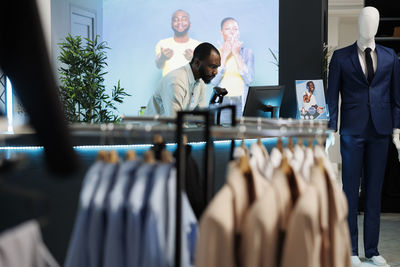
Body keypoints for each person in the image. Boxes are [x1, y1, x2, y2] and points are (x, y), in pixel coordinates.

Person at [327, 7, 400, 267]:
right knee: (349, 191)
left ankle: (372, 249)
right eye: (364, 20)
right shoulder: (340, 57)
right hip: (352, 131)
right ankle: (350, 250)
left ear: (378, 25)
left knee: (373, 191)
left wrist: (397, 129)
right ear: (358, 23)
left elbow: (396, 98)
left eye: (373, 21)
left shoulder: (391, 57)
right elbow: (332, 95)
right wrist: (331, 129)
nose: (368, 26)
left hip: (380, 131)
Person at [145, 42, 221, 117]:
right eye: (213, 67)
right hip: (153, 129)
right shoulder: (176, 81)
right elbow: (175, 122)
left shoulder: (200, 82)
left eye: (218, 67)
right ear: (197, 63)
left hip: (172, 128)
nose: (216, 72)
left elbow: (201, 118)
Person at [211, 17, 254, 122]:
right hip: (223, 101)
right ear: (222, 32)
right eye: (228, 29)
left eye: (235, 29)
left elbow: (249, 79)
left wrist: (236, 54)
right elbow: (213, 81)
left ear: (239, 32)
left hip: (241, 101)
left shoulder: (248, 53)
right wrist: (224, 56)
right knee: (222, 135)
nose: (232, 32)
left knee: (240, 135)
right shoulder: (215, 53)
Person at [155, 9, 201, 76]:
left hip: (191, 86)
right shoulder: (163, 44)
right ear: (171, 24)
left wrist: (194, 60)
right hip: (169, 85)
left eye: (184, 19)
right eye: (176, 20)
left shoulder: (199, 46)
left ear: (190, 24)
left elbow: (204, 70)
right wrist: (163, 57)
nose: (180, 22)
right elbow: (158, 65)